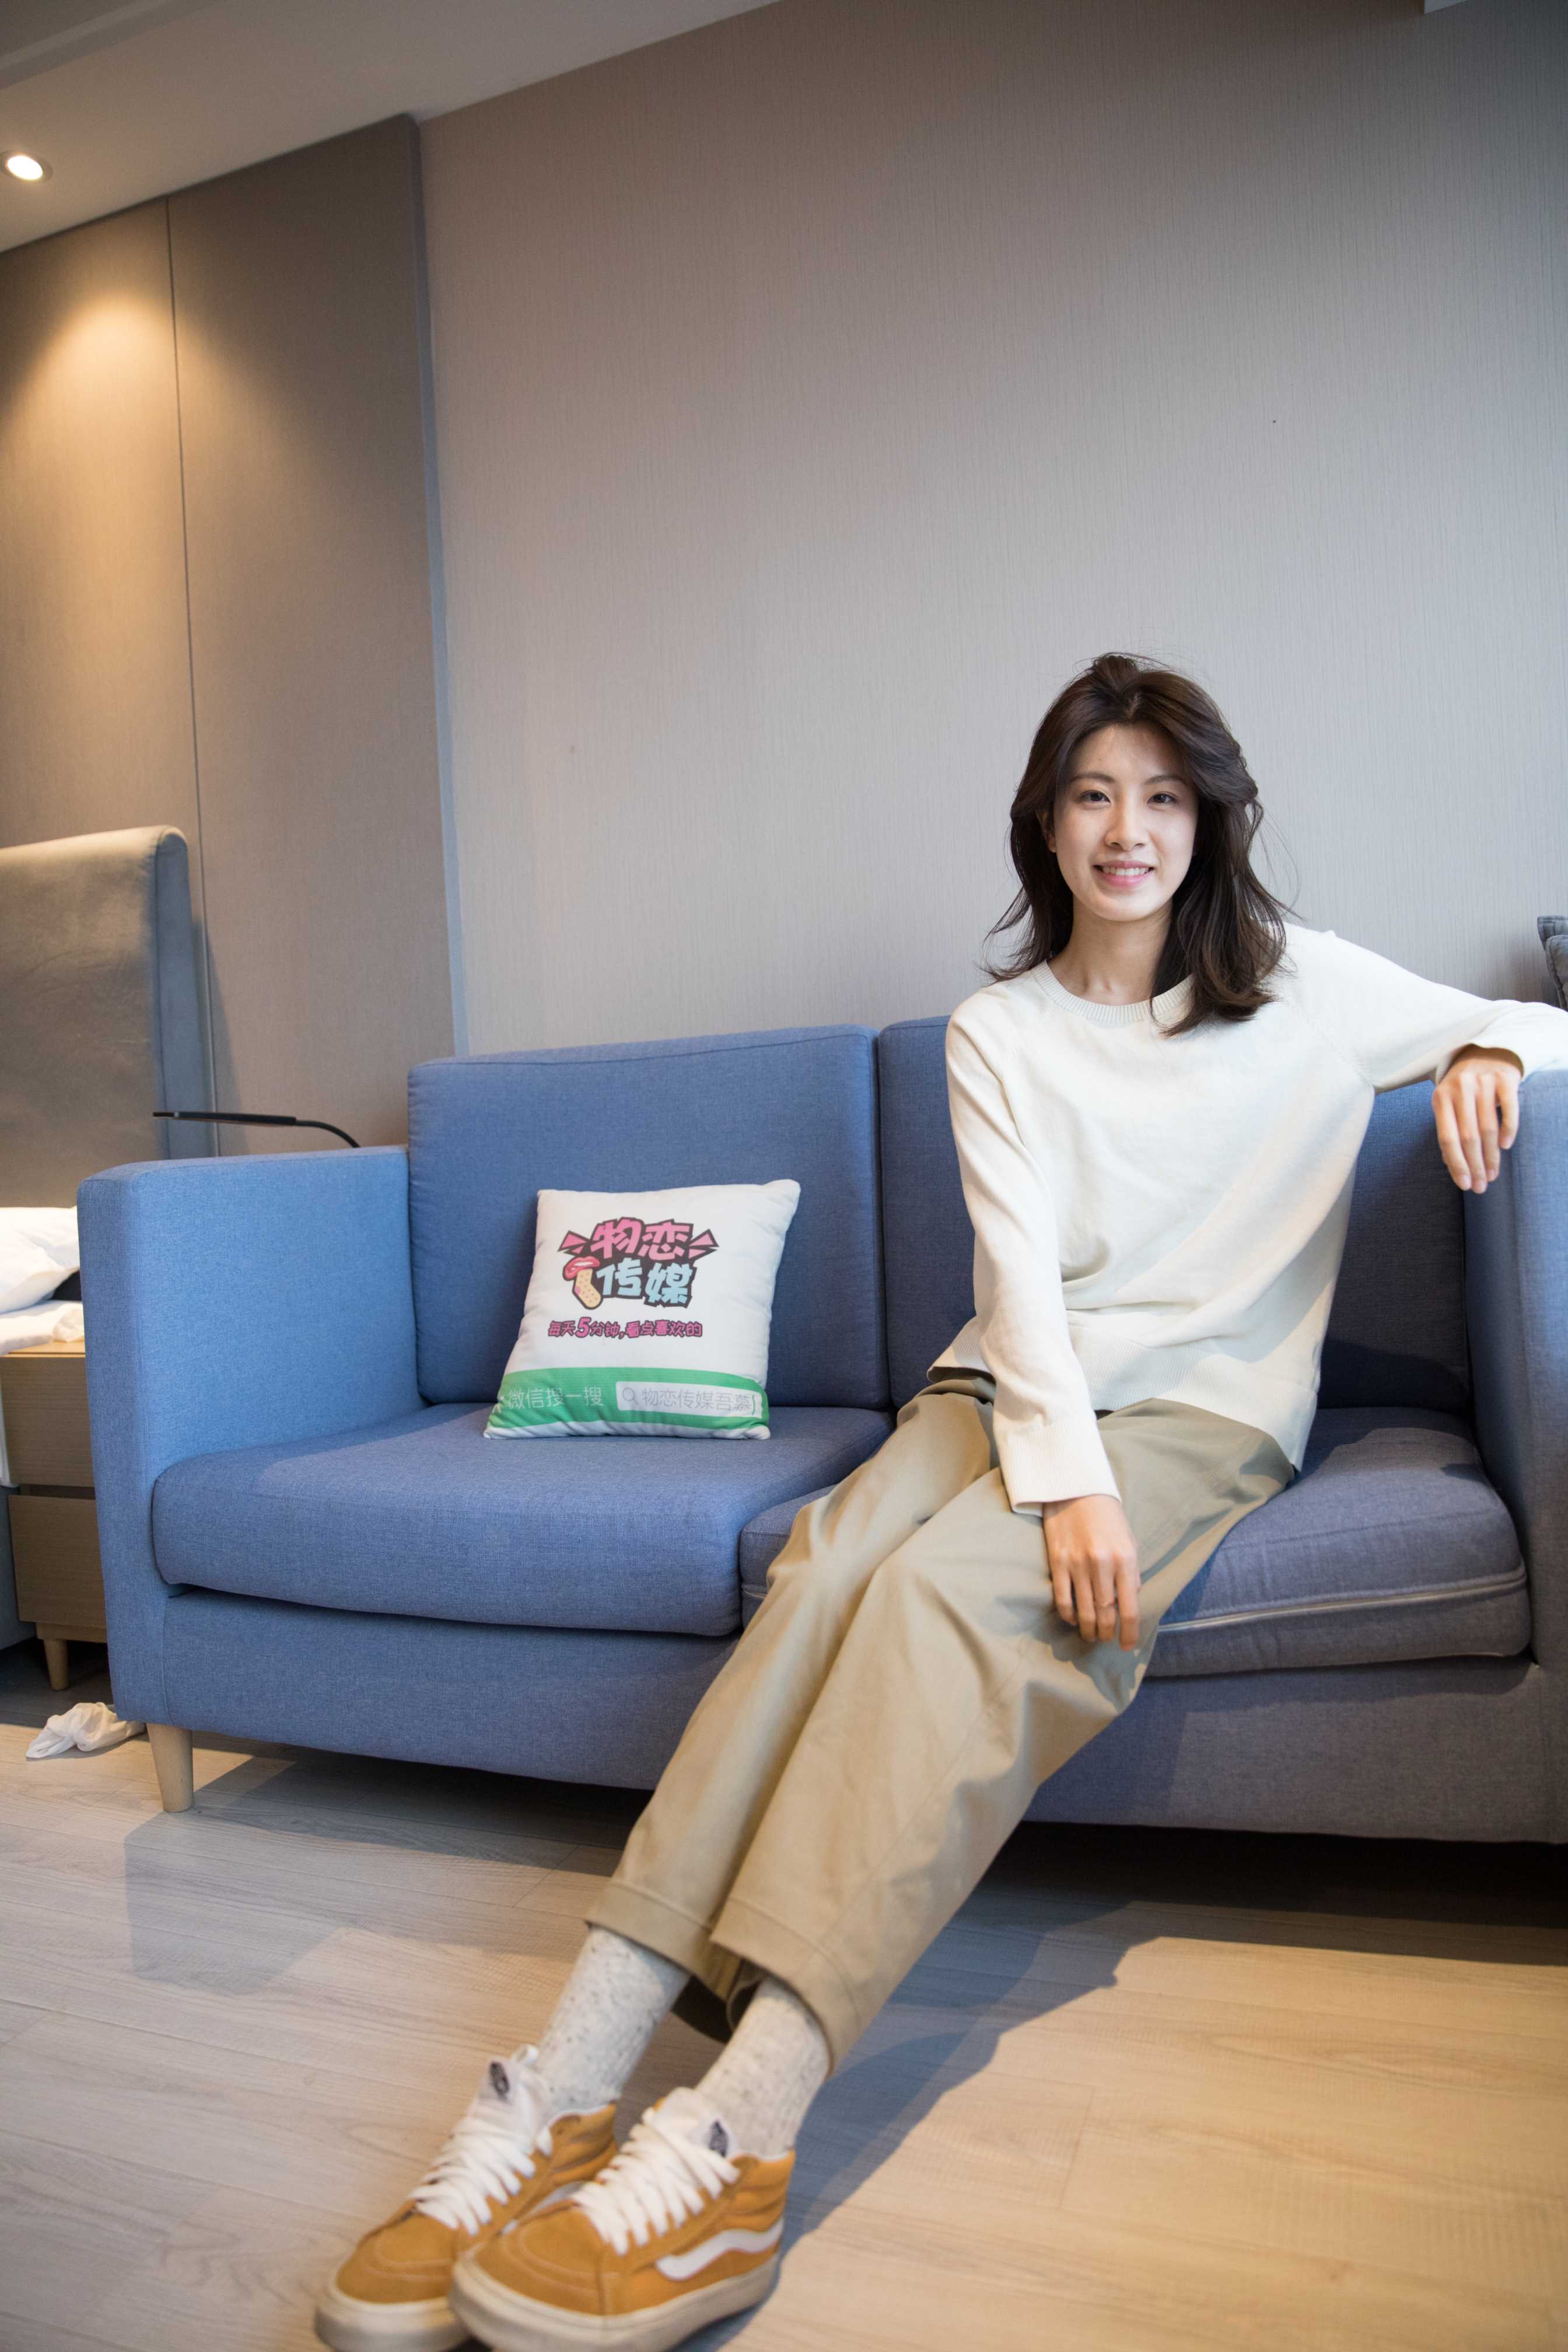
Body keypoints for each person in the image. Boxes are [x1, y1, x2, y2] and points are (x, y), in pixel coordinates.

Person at [314, 652, 1568, 2352]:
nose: (1128, 830)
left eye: (1164, 797)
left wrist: (1488, 1044)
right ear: (1046, 823)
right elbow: (1021, 1285)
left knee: (945, 1602)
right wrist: (1062, 1474)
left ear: (1210, 820)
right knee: (829, 1570)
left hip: (1199, 1411)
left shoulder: (1309, 991)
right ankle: (564, 2085)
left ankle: (739, 2136)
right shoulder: (999, 1033)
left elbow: (1550, 1023)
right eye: (1094, 794)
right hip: (1002, 1385)